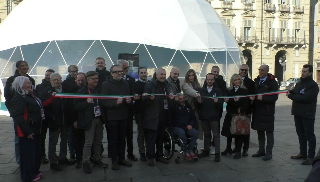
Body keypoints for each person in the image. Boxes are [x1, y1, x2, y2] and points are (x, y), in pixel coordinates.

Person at [10, 76, 55, 182]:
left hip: (36, 129)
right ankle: (28, 177)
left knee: (35, 154)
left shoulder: (31, 95)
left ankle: (34, 171)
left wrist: (52, 98)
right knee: (28, 156)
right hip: (28, 132)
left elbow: (40, 106)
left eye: (30, 82)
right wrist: (27, 131)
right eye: (27, 83)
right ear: (21, 85)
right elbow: (19, 117)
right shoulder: (19, 98)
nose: (30, 84)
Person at [101, 65, 137, 170]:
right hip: (112, 116)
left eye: (120, 71)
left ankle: (122, 158)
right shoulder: (106, 84)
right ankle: (114, 160)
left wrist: (129, 101)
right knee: (113, 139)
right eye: (116, 72)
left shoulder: (125, 84)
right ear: (111, 73)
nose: (119, 73)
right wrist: (115, 102)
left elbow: (129, 97)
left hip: (124, 115)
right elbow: (103, 101)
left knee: (122, 138)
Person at [74, 71, 108, 174]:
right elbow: (75, 106)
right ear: (88, 80)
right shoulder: (82, 91)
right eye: (94, 79)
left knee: (98, 141)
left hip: (99, 118)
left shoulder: (99, 90)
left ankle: (97, 159)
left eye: (97, 78)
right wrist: (85, 102)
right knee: (88, 142)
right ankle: (86, 162)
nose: (96, 80)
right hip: (89, 120)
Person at [41, 73, 76, 171]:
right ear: (51, 81)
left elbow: (69, 105)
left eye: (58, 79)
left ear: (61, 80)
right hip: (54, 121)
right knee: (53, 142)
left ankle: (62, 158)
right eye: (54, 80)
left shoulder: (65, 90)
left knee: (64, 141)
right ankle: (53, 162)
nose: (56, 81)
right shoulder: (47, 92)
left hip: (65, 121)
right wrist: (51, 117)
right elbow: (43, 106)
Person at [4, 60, 35, 166]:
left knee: (30, 135)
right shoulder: (11, 80)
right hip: (19, 113)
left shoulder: (30, 79)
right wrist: (12, 112)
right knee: (19, 137)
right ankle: (20, 160)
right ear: (17, 68)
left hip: (30, 113)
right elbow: (7, 97)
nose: (25, 67)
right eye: (22, 66)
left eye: (26, 65)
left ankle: (30, 158)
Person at [287, 64, 319, 165]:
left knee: (309, 135)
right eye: (302, 71)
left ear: (310, 73)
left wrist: (291, 96)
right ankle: (303, 153)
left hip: (307, 113)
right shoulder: (300, 82)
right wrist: (291, 91)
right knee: (301, 134)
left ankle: (311, 156)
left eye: (305, 71)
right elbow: (297, 92)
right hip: (298, 112)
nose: (303, 73)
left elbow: (306, 98)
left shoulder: (313, 85)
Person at [142, 68, 174, 166]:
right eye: (161, 74)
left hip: (163, 116)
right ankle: (150, 157)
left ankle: (159, 155)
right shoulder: (150, 85)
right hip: (152, 116)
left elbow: (170, 92)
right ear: (156, 75)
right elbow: (144, 100)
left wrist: (171, 96)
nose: (163, 76)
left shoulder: (167, 84)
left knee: (160, 137)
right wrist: (149, 98)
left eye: (164, 74)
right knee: (151, 138)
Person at [251, 65, 278, 161]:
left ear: (267, 71)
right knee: (260, 131)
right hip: (258, 110)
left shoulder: (272, 82)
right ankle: (261, 150)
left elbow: (275, 97)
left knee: (269, 132)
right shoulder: (257, 81)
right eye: (259, 70)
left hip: (267, 111)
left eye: (262, 70)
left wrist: (264, 98)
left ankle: (269, 153)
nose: (260, 72)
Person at [221, 74, 250, 159]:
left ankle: (238, 151)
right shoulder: (229, 91)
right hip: (230, 114)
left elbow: (245, 104)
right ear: (232, 81)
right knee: (229, 133)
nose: (237, 81)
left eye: (239, 79)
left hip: (238, 115)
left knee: (238, 133)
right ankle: (228, 148)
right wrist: (228, 101)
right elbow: (229, 102)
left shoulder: (244, 91)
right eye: (235, 80)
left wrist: (236, 102)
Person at [196, 73, 223, 162]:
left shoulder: (218, 91)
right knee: (206, 135)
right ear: (206, 80)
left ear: (214, 80)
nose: (210, 81)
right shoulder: (201, 90)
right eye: (208, 79)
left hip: (214, 117)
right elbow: (197, 105)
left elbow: (221, 104)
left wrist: (217, 102)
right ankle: (206, 150)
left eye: (211, 80)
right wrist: (198, 102)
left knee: (216, 135)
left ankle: (217, 153)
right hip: (204, 116)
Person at [203, 66, 227, 155]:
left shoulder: (221, 84)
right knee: (207, 132)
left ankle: (215, 148)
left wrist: (220, 101)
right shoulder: (205, 86)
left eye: (217, 72)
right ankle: (207, 147)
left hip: (216, 112)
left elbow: (223, 95)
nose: (216, 73)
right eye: (214, 72)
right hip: (206, 113)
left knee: (215, 132)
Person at [117, 59, 137, 161]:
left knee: (129, 133)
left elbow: (133, 93)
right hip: (117, 111)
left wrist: (132, 98)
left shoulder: (131, 79)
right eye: (125, 68)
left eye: (127, 67)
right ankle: (118, 155)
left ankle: (130, 153)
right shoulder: (115, 80)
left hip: (128, 110)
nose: (127, 69)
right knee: (119, 135)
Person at [35, 69, 55, 164]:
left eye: (50, 75)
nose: (48, 77)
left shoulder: (56, 86)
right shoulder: (39, 87)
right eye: (47, 75)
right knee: (41, 137)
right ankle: (42, 155)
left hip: (52, 116)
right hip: (42, 117)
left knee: (53, 138)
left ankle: (53, 155)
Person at [170, 93, 198, 160]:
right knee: (181, 133)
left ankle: (190, 149)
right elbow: (170, 111)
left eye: (183, 99)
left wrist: (190, 124)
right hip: (177, 126)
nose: (182, 100)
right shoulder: (174, 106)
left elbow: (193, 118)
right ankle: (185, 150)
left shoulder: (187, 106)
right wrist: (174, 101)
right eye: (180, 99)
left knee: (195, 132)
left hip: (187, 126)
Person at [62, 65, 79, 162]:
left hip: (79, 112)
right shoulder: (66, 83)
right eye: (72, 71)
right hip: (71, 113)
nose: (74, 73)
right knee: (71, 136)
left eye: (76, 71)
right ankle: (72, 154)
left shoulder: (80, 81)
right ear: (69, 72)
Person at [238, 64, 255, 156]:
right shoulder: (235, 80)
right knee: (236, 130)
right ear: (239, 70)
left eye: (246, 70)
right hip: (236, 110)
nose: (244, 72)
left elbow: (252, 97)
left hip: (246, 110)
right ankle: (237, 148)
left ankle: (245, 149)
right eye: (242, 70)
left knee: (245, 131)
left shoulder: (251, 83)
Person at [134, 67, 149, 161]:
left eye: (144, 72)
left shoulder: (150, 84)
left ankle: (149, 151)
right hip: (139, 112)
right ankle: (142, 152)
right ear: (138, 74)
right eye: (141, 72)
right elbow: (136, 97)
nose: (143, 74)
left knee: (149, 133)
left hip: (149, 112)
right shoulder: (136, 85)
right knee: (141, 133)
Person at [181, 69, 202, 140]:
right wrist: (196, 94)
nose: (191, 77)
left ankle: (194, 145)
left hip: (195, 109)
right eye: (189, 75)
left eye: (193, 75)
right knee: (188, 128)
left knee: (197, 126)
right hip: (188, 110)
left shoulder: (197, 85)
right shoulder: (185, 85)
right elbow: (190, 91)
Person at [73, 72, 86, 169]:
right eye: (79, 80)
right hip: (77, 120)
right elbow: (72, 108)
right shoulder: (72, 90)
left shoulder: (87, 90)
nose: (80, 82)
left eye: (82, 80)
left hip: (87, 119)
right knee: (77, 141)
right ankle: (78, 159)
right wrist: (74, 120)